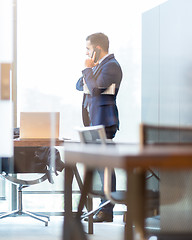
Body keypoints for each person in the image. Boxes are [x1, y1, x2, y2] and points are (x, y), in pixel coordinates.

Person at [76, 32, 123, 222]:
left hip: (104, 121)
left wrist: (88, 71)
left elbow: (95, 90)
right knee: (100, 167)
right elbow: (79, 85)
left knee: (105, 167)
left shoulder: (111, 66)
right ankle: (103, 208)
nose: (86, 53)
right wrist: (90, 71)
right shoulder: (99, 66)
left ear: (97, 49)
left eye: (88, 49)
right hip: (94, 121)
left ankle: (106, 210)